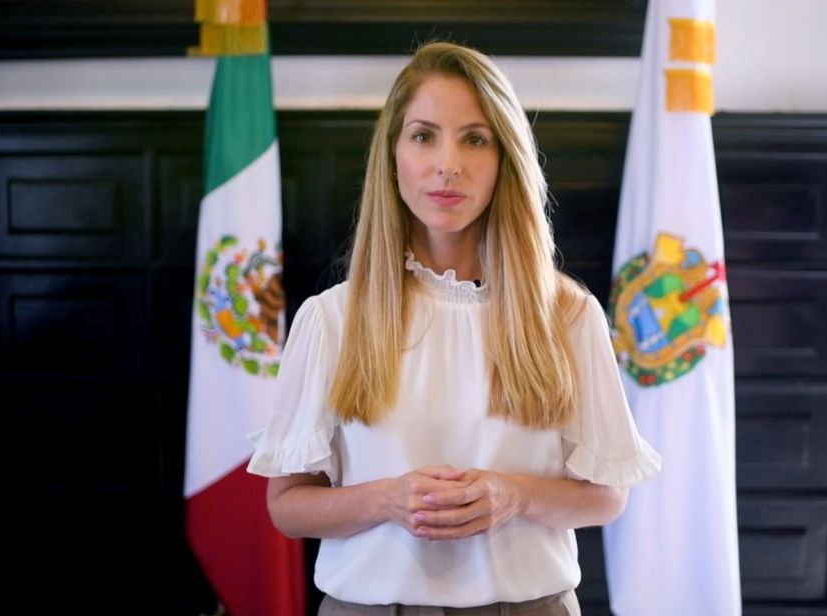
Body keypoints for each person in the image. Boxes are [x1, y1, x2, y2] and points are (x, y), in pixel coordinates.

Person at [247, 41, 661, 615]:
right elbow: (288, 504)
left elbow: (608, 496)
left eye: (475, 139)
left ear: (505, 159)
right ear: (392, 157)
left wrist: (514, 496)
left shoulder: (566, 314)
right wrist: (388, 500)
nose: (449, 164)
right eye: (424, 136)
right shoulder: (331, 319)